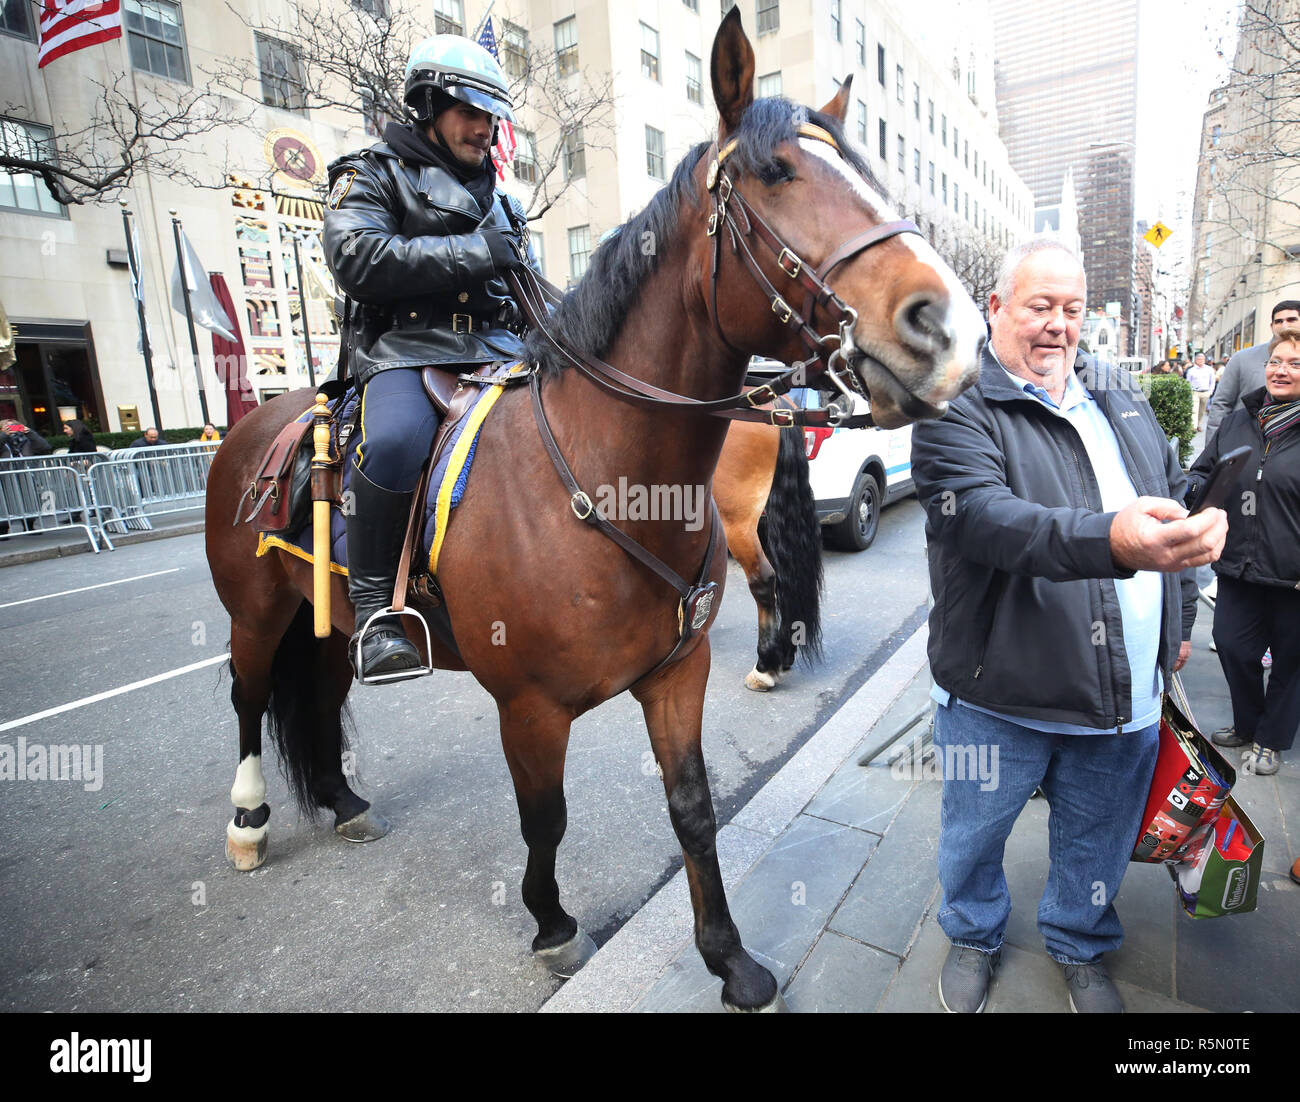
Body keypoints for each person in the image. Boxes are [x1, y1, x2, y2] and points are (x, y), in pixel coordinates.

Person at [910, 239, 1227, 1014]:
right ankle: (975, 932)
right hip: (997, 693)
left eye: (1072, 309)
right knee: (973, 836)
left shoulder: (1117, 394)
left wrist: (1179, 613)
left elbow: (1169, 496)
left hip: (1123, 697)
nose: (1058, 326)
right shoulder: (956, 403)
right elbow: (987, 521)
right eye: (1039, 306)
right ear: (996, 310)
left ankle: (1079, 942)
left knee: (1097, 838)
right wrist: (1113, 539)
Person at [323, 34, 539, 682]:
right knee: (391, 443)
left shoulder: (501, 199)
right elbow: (355, 259)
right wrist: (480, 252)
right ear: (428, 106)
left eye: (490, 116)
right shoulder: (370, 171)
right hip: (410, 351)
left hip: (502, 350)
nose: (483, 128)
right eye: (470, 113)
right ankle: (372, 615)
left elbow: (522, 291)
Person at [1196, 326, 1300, 776]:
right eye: (1276, 361)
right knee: (1233, 647)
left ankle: (1271, 739)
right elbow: (1205, 470)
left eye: (1295, 364)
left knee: (1291, 663)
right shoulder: (1242, 418)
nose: (1281, 370)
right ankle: (1248, 724)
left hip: (1292, 573)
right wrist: (1194, 495)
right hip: (1238, 562)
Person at [1205, 300, 1300, 439]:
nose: (1284, 325)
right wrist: (1215, 447)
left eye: (1291, 319)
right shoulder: (1242, 358)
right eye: (1279, 321)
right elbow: (1221, 404)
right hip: (1244, 445)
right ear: (1271, 326)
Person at [1185, 352, 1215, 433]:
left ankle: (1198, 424)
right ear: (1196, 360)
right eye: (1199, 359)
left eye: (1202, 359)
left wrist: (1210, 392)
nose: (1201, 361)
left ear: (1204, 360)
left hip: (1205, 392)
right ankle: (1193, 427)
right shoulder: (1191, 370)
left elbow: (1212, 381)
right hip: (1194, 392)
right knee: (1194, 409)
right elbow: (1188, 382)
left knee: (1202, 411)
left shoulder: (1209, 370)